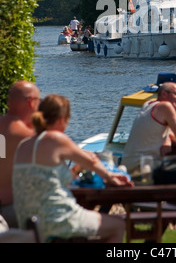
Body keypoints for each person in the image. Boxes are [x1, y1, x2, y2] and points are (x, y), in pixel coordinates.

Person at [12, 94, 133, 242]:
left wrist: (76, 170)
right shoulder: (55, 138)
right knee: (118, 225)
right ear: (62, 119)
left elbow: (47, 180)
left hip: (29, 222)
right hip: (56, 218)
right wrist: (111, 177)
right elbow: (92, 160)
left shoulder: (24, 145)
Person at [121, 82, 176, 174]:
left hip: (128, 165)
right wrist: (169, 139)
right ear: (164, 94)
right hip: (143, 168)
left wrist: (167, 139)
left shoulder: (147, 104)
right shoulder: (166, 106)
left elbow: (157, 129)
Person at [0, 81, 41, 227]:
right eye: (38, 101)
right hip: (13, 211)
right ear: (31, 102)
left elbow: (3, 157)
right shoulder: (28, 136)